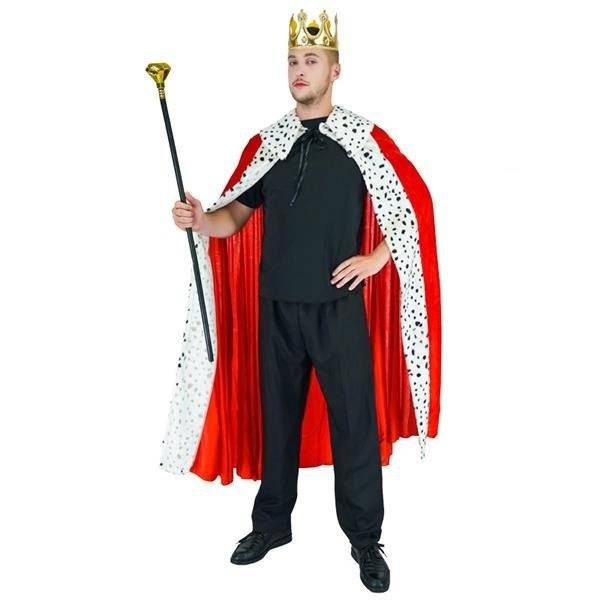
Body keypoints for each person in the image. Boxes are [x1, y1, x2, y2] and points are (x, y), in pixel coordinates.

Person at [167, 8, 441, 595]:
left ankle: (365, 539)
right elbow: (234, 217)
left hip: (338, 308)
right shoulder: (270, 142)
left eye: (311, 60)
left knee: (354, 426)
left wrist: (376, 259)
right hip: (277, 307)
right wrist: (200, 219)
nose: (299, 69)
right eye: (293, 60)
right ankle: (271, 525)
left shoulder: (364, 140)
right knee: (278, 421)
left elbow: (412, 205)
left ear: (335, 70)